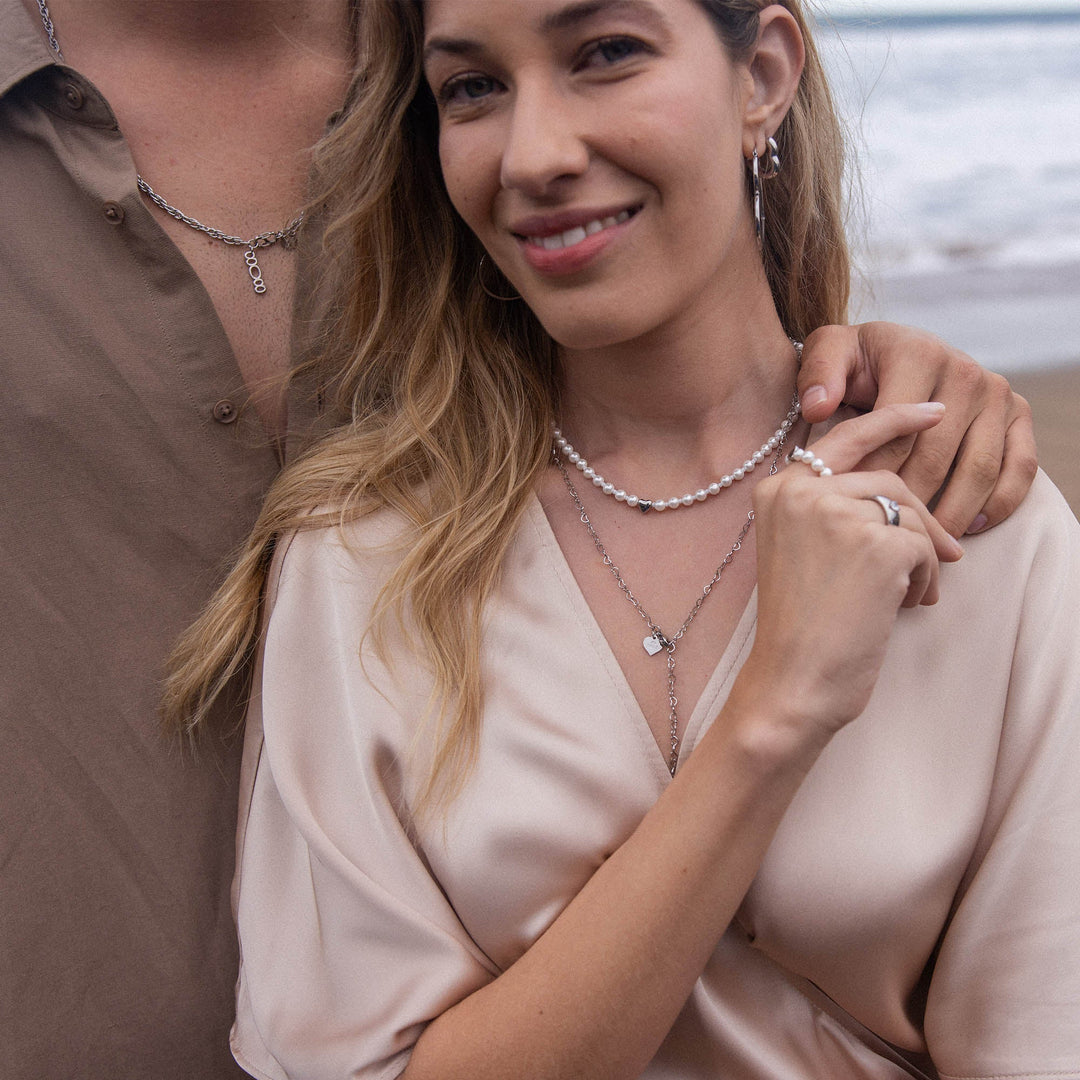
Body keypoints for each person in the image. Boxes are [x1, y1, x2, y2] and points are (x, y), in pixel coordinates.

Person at [0, 0, 1046, 1077]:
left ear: (765, 73)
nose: (536, 154)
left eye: (607, 53)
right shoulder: (358, 564)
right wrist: (772, 717)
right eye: (472, 90)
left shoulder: (977, 517)